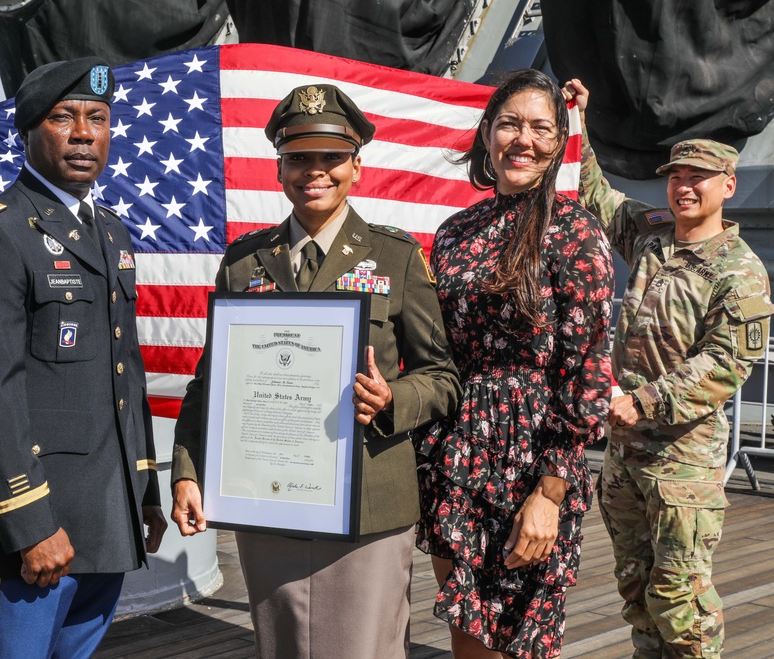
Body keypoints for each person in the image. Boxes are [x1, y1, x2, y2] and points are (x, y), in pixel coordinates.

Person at [170, 83, 462, 659]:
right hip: (267, 500)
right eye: (299, 157)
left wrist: (391, 399)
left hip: (367, 503)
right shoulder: (244, 260)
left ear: (357, 165)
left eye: (331, 158)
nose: (315, 171)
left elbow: (443, 376)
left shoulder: (396, 256)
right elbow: (211, 382)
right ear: (279, 167)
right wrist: (186, 470)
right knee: (280, 647)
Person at [0, 57, 167, 658]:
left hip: (103, 521)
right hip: (28, 534)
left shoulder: (110, 231)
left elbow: (124, 373)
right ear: (29, 129)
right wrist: (30, 522)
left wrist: (143, 491)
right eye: (64, 117)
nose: (85, 132)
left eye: (98, 117)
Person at [564, 79, 774, 658]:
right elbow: (596, 198)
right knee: (635, 587)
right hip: (627, 452)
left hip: (682, 460)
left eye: (697, 178)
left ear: (727, 186)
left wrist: (644, 400)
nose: (683, 187)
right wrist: (577, 122)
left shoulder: (740, 272)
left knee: (679, 596)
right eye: (677, 177)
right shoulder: (654, 235)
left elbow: (727, 362)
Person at [416, 69, 615, 659]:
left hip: (531, 457)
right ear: (486, 134)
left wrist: (549, 493)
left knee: (521, 640)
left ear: (558, 144)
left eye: (540, 128)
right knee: (467, 632)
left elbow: (588, 375)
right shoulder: (454, 232)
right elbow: (435, 346)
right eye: (509, 124)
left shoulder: (576, 232)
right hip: (455, 451)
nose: (522, 139)